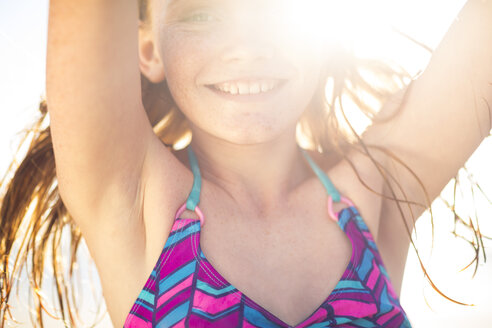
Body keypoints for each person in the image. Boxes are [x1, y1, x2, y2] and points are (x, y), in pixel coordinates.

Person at [1, 0, 490, 327]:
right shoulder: (133, 195)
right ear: (147, 50)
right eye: (202, 13)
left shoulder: (373, 188)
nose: (248, 45)